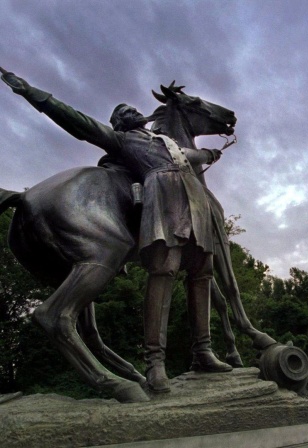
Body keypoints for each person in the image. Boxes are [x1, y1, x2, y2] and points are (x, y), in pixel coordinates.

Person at [1, 69, 232, 393]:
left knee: (203, 270)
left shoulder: (162, 140)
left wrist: (207, 154)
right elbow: (78, 122)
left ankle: (203, 351)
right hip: (163, 202)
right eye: (123, 113)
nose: (132, 112)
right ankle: (155, 365)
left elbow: (184, 155)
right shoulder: (123, 140)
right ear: (119, 125)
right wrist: (31, 93)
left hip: (189, 203)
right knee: (163, 271)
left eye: (131, 109)